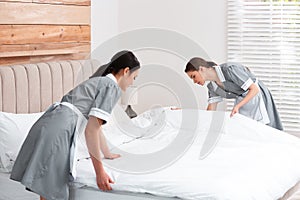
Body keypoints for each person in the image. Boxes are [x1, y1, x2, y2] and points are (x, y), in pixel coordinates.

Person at [10, 50, 141, 200]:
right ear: (126, 72)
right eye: (134, 78)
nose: (132, 83)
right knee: (50, 189)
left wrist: (107, 153)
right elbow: (91, 131)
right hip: (59, 129)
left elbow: (96, 128)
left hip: (50, 123)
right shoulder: (111, 87)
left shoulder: (100, 82)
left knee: (46, 189)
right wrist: (100, 173)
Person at [184, 57, 283, 130]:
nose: (194, 81)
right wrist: (185, 112)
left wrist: (237, 106)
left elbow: (254, 89)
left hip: (257, 96)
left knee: (266, 129)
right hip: (243, 101)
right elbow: (210, 112)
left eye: (193, 76)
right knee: (248, 130)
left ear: (201, 69)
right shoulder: (212, 87)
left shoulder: (229, 69)